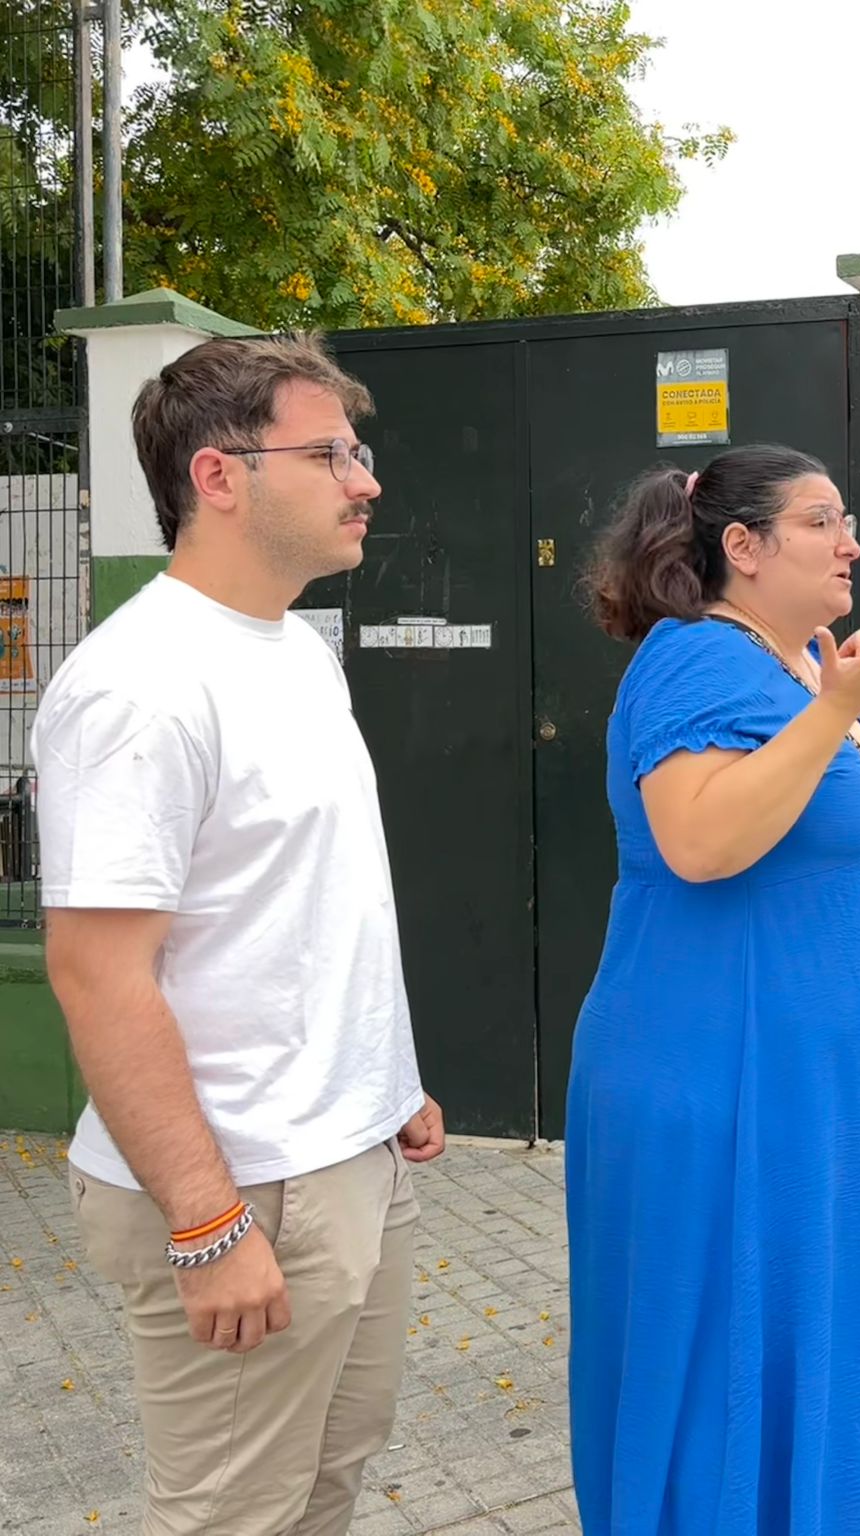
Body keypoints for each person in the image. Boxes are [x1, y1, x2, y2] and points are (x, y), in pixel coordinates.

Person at [33, 334, 445, 1536]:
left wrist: (386, 1083)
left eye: (357, 453)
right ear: (218, 477)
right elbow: (98, 974)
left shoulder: (298, 653)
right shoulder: (138, 686)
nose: (365, 481)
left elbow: (301, 905)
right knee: (230, 1516)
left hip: (347, 1153)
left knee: (323, 1487)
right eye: (332, 455)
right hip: (243, 1188)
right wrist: (208, 1223)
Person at [566, 446, 860, 1536]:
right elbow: (700, 843)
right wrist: (838, 710)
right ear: (741, 547)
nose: (851, 544)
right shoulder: (698, 657)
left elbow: (806, 858)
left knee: (816, 1340)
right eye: (820, 522)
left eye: (848, 521)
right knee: (730, 1358)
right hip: (735, 1081)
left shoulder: (791, 668)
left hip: (820, 1086)